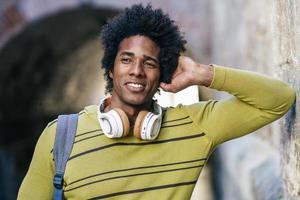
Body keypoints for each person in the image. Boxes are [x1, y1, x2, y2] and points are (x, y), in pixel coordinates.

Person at [17, 4, 296, 200]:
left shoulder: (194, 127)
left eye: (149, 63)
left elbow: (276, 100)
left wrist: (204, 74)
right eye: (126, 59)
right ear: (110, 68)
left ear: (162, 73)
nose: (136, 70)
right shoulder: (60, 136)